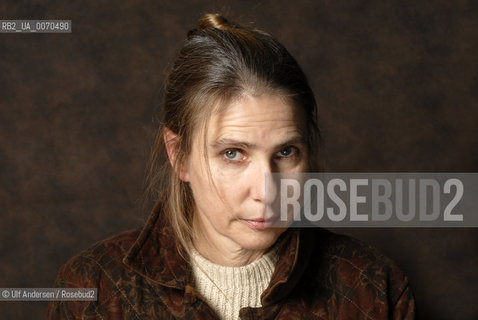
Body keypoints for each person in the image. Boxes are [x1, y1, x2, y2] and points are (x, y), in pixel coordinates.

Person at [47, 13, 415, 319]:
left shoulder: (373, 287)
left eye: (286, 152)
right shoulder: (90, 291)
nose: (266, 193)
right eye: (233, 153)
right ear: (179, 156)